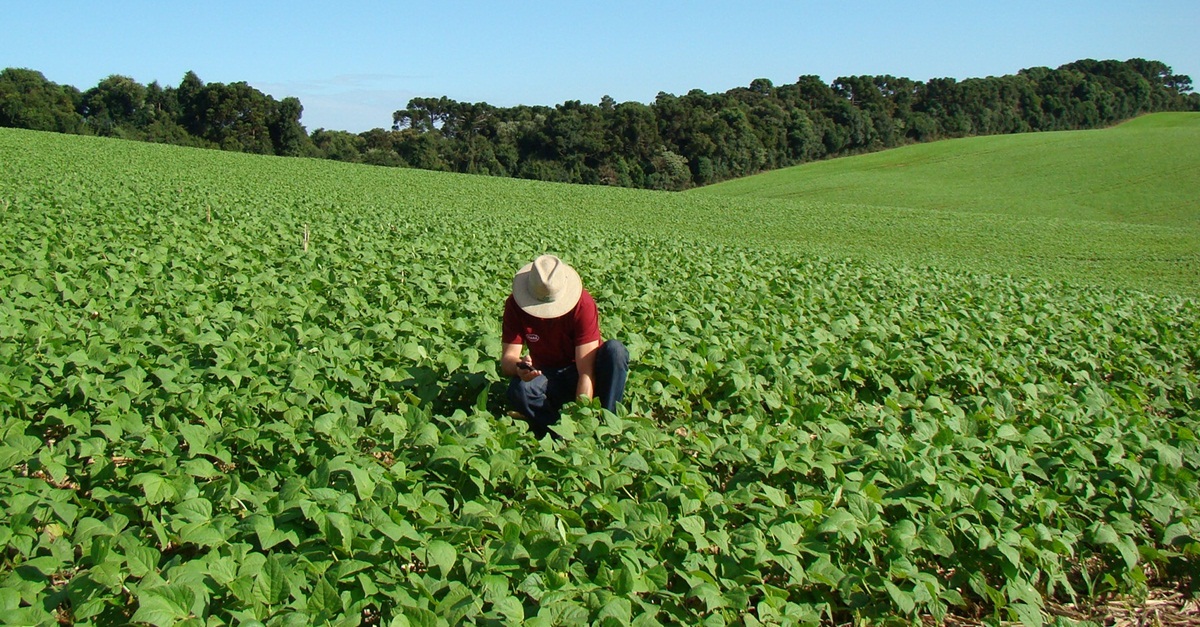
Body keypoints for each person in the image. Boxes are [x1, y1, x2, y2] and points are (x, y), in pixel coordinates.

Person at [501, 254, 628, 437]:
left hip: (582, 370)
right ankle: (557, 432)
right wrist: (519, 367)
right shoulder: (515, 305)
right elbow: (507, 361)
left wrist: (581, 416)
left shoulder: (582, 304)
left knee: (615, 351)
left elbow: (586, 371)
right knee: (520, 390)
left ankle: (608, 426)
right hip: (546, 373)